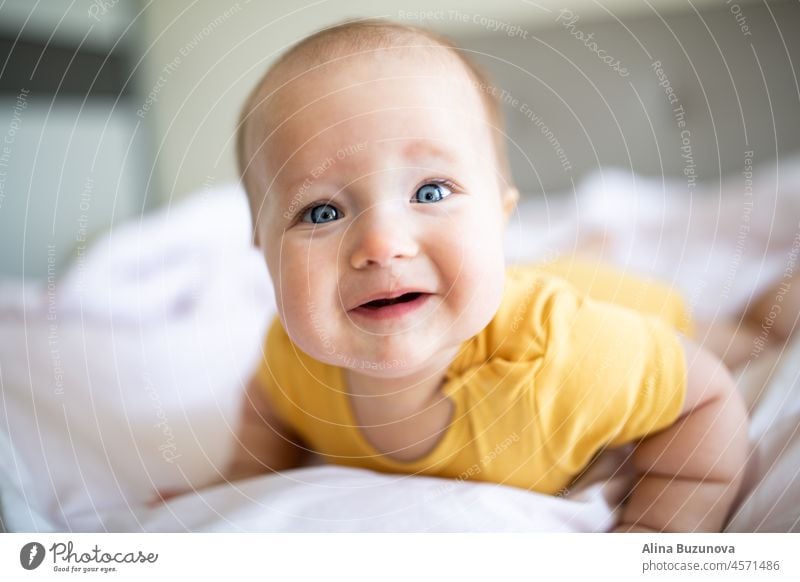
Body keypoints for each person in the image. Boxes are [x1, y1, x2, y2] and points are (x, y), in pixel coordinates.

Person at [227, 19, 757, 532]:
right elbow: (268, 402)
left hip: (624, 303)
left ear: (500, 216)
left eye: (430, 192)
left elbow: (708, 400)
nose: (382, 245)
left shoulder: (562, 354)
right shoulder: (294, 357)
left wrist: (660, 532)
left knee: (743, 337)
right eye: (321, 212)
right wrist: (242, 477)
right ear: (264, 250)